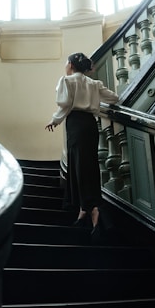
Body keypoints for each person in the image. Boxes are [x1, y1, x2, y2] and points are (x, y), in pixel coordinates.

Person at [45, 52, 119, 240]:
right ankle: (84, 210)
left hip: (76, 125)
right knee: (89, 165)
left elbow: (65, 105)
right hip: (90, 125)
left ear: (70, 65)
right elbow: (114, 98)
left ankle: (93, 209)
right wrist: (93, 102)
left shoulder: (67, 81)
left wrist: (55, 121)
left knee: (78, 166)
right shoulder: (93, 84)